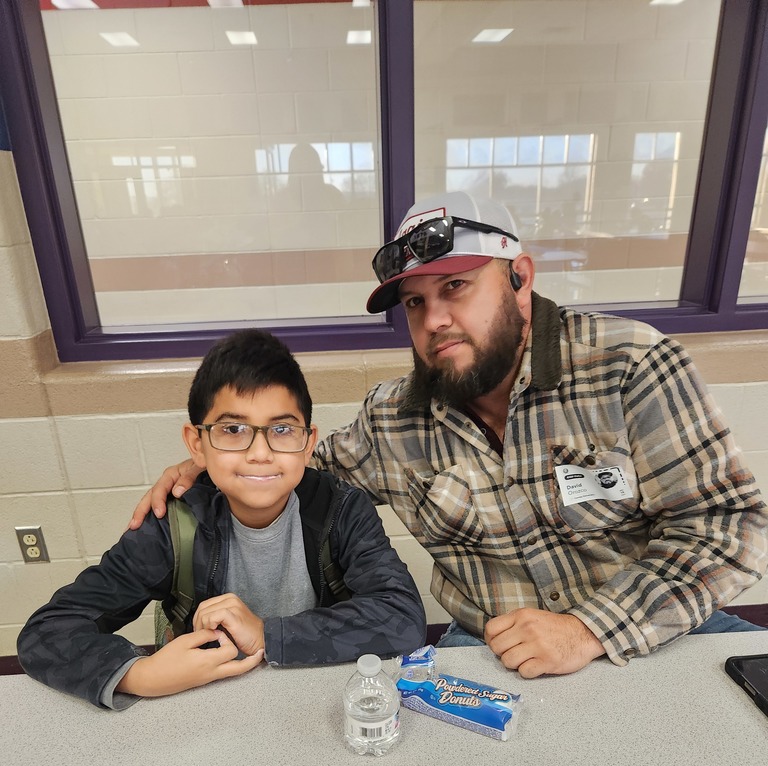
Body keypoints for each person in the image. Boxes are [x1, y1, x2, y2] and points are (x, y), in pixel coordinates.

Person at [129, 192, 768, 680]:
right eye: (414, 302)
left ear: (520, 277)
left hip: (659, 629)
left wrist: (586, 630)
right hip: (489, 652)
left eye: (456, 286)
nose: (435, 319)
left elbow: (728, 524)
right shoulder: (392, 419)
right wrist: (205, 467)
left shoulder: (629, 365)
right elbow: (286, 465)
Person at [17, 329, 426, 709]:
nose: (260, 452)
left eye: (282, 429)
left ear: (307, 443)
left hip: (314, 697)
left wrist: (268, 634)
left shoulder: (342, 509)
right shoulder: (172, 525)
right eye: (233, 429)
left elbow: (403, 618)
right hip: (203, 703)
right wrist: (139, 674)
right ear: (197, 444)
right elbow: (47, 631)